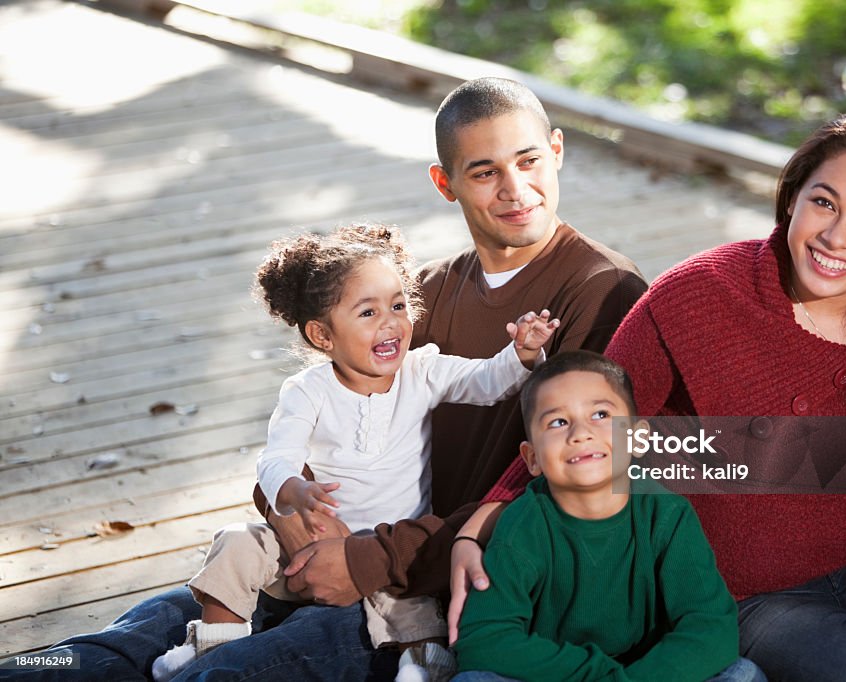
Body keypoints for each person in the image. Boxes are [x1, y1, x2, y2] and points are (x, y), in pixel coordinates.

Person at [0, 78, 647, 680]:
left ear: (557, 152)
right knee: (117, 646)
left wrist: (371, 560)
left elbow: (573, 489)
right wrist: (289, 508)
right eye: (485, 171)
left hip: (429, 599)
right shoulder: (425, 291)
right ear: (445, 184)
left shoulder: (603, 292)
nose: (514, 188)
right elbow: (326, 411)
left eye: (528, 161)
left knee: (213, 672)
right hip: (337, 551)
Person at [463, 111, 846, 681]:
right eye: (824, 203)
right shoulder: (698, 296)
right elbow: (586, 415)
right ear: (791, 200)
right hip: (745, 600)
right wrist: (482, 521)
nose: (836, 237)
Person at [149, 225, 559, 681]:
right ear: (323, 335)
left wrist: (521, 353)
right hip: (305, 547)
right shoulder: (308, 391)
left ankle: (424, 660)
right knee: (236, 541)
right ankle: (214, 639)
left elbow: (488, 382)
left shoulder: (422, 371)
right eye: (368, 312)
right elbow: (275, 457)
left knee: (413, 593)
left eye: (398, 306)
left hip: (382, 544)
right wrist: (294, 490)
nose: (390, 322)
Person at [452, 351, 765, 682]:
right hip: (554, 673)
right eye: (558, 422)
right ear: (532, 459)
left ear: (639, 439)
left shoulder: (667, 515)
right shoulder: (522, 525)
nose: (580, 433)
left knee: (743, 674)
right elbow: (484, 640)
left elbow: (711, 626)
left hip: (651, 673)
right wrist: (600, 676)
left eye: (600, 414)